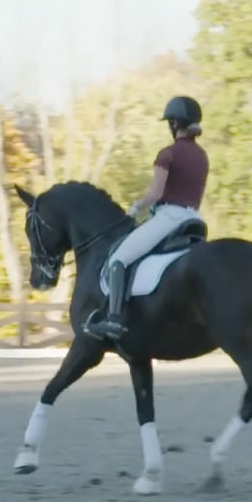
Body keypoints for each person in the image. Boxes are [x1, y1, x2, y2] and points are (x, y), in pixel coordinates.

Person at [83, 95, 209, 341]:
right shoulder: (202, 156)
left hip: (169, 217)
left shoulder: (168, 154)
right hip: (194, 218)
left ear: (174, 123)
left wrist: (136, 207)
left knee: (118, 259)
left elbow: (156, 193)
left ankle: (114, 319)